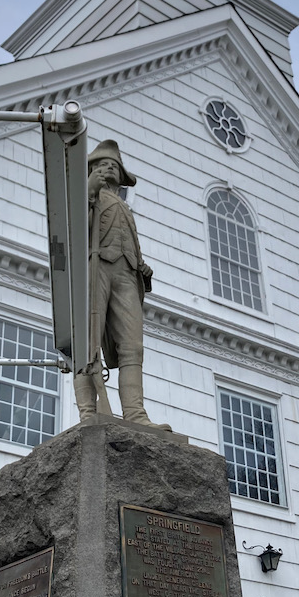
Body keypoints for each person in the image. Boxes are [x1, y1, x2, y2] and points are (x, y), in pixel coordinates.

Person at [73, 140, 170, 429]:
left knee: (132, 347)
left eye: (113, 165)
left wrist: (141, 265)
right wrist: (88, 189)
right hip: (96, 268)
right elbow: (75, 227)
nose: (108, 169)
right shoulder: (87, 195)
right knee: (87, 347)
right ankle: (89, 413)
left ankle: (134, 414)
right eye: (102, 165)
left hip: (126, 275)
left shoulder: (124, 208)